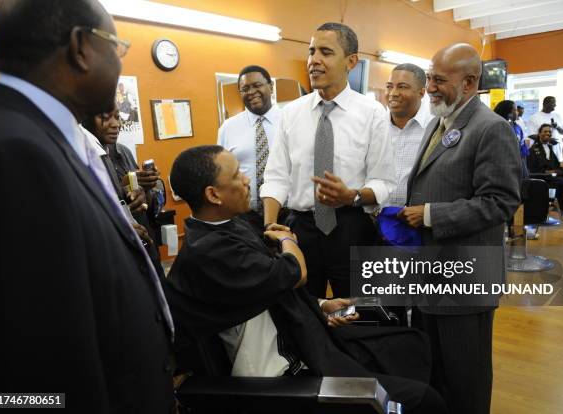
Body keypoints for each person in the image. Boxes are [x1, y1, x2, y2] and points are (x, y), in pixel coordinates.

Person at [163, 145, 448, 414]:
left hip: (303, 341)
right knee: (424, 400)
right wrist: (288, 239)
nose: (248, 179)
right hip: (283, 375)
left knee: (408, 347)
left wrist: (322, 304)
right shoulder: (211, 251)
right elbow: (295, 272)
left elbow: (263, 292)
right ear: (214, 195)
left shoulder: (231, 227)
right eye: (237, 174)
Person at [0, 1, 174, 413]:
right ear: (80, 48)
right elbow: (36, 358)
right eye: (118, 48)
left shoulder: (49, 139)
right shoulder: (16, 152)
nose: (120, 65)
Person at [399, 43, 521, 414]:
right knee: (435, 371)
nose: (429, 86)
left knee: (465, 376)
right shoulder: (438, 121)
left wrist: (431, 215)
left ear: (469, 82)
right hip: (430, 272)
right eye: (429, 77)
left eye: (438, 79)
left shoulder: (491, 129)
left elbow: (500, 201)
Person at [261, 22, 395, 298]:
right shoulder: (291, 114)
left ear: (351, 61)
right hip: (301, 229)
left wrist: (352, 196)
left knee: (360, 310)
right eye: (311, 52)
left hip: (351, 227)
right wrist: (270, 226)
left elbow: (383, 182)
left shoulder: (372, 113)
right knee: (303, 313)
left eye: (325, 52)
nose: (314, 61)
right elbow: (276, 176)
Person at [82, 105, 167, 275]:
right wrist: (119, 189)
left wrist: (146, 188)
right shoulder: (82, 156)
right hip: (115, 252)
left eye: (117, 117)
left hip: (144, 238)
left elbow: (147, 201)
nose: (116, 124)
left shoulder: (124, 152)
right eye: (106, 117)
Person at [217, 65, 281, 234]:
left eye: (257, 85)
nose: (251, 91)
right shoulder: (228, 128)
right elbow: (221, 173)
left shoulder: (289, 121)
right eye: (245, 88)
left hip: (287, 212)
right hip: (245, 217)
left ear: (271, 86)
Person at [384, 63, 431, 207]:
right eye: (389, 86)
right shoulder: (375, 125)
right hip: (375, 218)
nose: (393, 93)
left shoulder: (435, 128)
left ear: (422, 92)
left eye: (402, 87)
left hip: (416, 219)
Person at [528, 124, 563, 231]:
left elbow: (556, 166)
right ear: (539, 133)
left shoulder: (549, 147)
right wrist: (553, 171)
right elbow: (535, 169)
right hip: (542, 178)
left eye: (549, 132)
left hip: (554, 176)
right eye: (545, 131)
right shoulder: (533, 150)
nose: (548, 133)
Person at [494, 99, 529, 178]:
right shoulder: (497, 126)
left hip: (518, 164)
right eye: (515, 110)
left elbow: (523, 151)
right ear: (508, 113)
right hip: (503, 166)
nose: (518, 112)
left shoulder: (518, 128)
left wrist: (525, 170)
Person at [526, 96, 563, 162]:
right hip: (540, 152)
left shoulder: (557, 116)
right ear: (546, 103)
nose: (555, 105)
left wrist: (557, 127)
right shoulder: (534, 117)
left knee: (556, 170)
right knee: (543, 170)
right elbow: (531, 135)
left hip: (556, 151)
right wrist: (548, 140)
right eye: (553, 103)